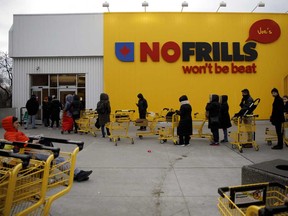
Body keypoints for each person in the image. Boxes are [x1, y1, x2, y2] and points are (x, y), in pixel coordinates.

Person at [1, 115, 93, 182]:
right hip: (29, 152)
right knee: (56, 158)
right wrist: (30, 143)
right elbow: (15, 144)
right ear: (10, 124)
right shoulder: (9, 134)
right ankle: (77, 174)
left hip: (30, 149)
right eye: (16, 123)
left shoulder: (15, 132)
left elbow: (21, 141)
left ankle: (77, 173)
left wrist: (32, 140)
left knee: (56, 157)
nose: (18, 124)